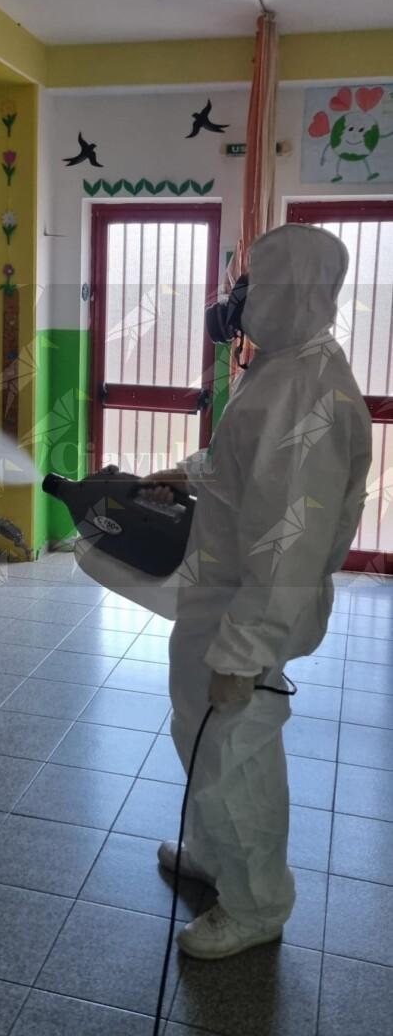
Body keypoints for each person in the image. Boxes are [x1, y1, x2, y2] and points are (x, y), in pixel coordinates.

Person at [143, 222, 372, 961]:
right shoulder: (280, 366)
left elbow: (288, 543)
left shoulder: (308, 394)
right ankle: (215, 856)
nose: (236, 299)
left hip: (248, 610)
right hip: (218, 596)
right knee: (200, 734)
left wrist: (244, 652)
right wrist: (188, 472)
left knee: (235, 756)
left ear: (289, 292)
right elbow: (243, 464)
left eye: (251, 284)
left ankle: (256, 905)